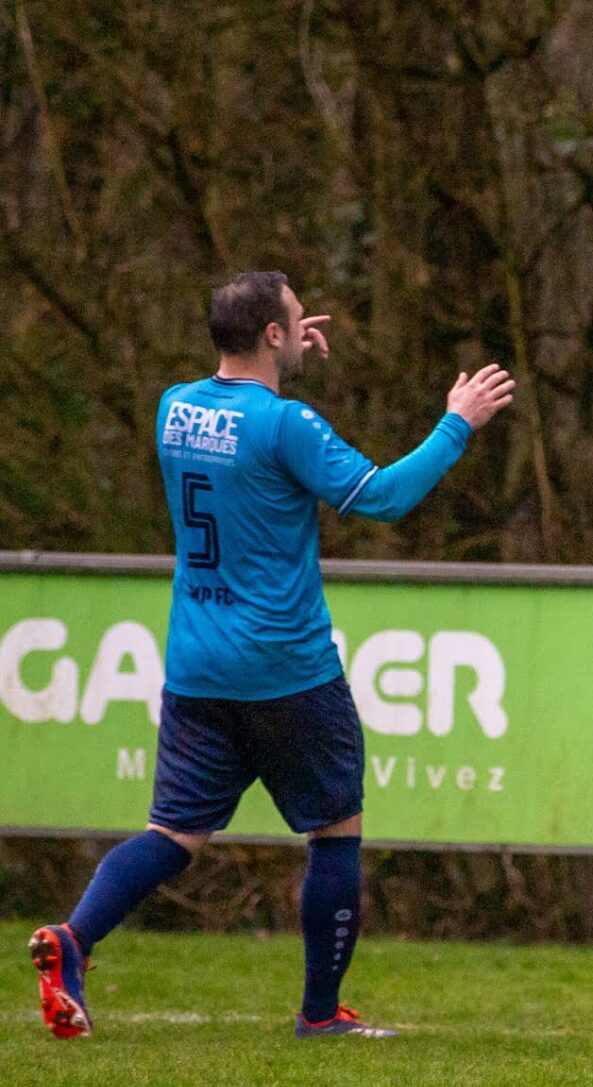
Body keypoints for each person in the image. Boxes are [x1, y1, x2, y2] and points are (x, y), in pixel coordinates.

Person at [28, 270, 517, 1040]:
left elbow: (240, 433)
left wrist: (279, 361)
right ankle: (321, 1012)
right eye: (293, 319)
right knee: (335, 827)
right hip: (285, 667)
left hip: (197, 665)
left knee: (173, 834)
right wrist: (457, 422)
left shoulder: (173, 408)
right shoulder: (287, 423)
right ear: (273, 336)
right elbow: (383, 495)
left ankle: (73, 938)